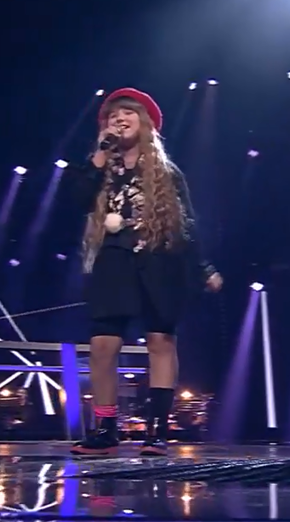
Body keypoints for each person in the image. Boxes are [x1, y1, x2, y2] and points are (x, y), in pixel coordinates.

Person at [70, 88, 223, 457]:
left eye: (128, 113)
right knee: (102, 346)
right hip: (113, 262)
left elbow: (187, 224)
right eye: (112, 115)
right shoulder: (100, 169)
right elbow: (75, 199)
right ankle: (105, 429)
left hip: (158, 260)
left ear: (146, 123)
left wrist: (203, 267)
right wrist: (99, 156)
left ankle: (157, 431)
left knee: (160, 342)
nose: (119, 119)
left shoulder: (167, 174)